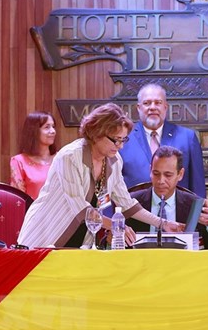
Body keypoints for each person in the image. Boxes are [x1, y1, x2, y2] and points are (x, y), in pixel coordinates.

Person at [18, 103, 184, 249]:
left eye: (123, 140)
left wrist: (162, 223)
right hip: (46, 236)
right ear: (97, 132)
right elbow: (81, 209)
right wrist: (116, 225)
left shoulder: (114, 161)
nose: (120, 146)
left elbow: (126, 203)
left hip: (81, 243)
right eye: (115, 140)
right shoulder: (70, 156)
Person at [127, 146, 208, 249]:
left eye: (168, 175)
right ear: (150, 170)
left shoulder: (194, 206)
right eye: (156, 174)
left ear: (180, 174)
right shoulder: (130, 203)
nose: (161, 181)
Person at [119, 83, 206, 197]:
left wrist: (199, 207)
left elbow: (197, 186)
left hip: (178, 207)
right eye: (147, 103)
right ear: (139, 108)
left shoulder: (187, 138)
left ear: (165, 107)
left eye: (158, 103)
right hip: (134, 206)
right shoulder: (123, 138)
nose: (152, 107)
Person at [10, 111, 57, 200]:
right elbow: (18, 199)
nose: (53, 131)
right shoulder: (19, 161)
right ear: (34, 131)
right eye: (47, 127)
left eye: (53, 126)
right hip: (32, 208)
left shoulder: (61, 158)